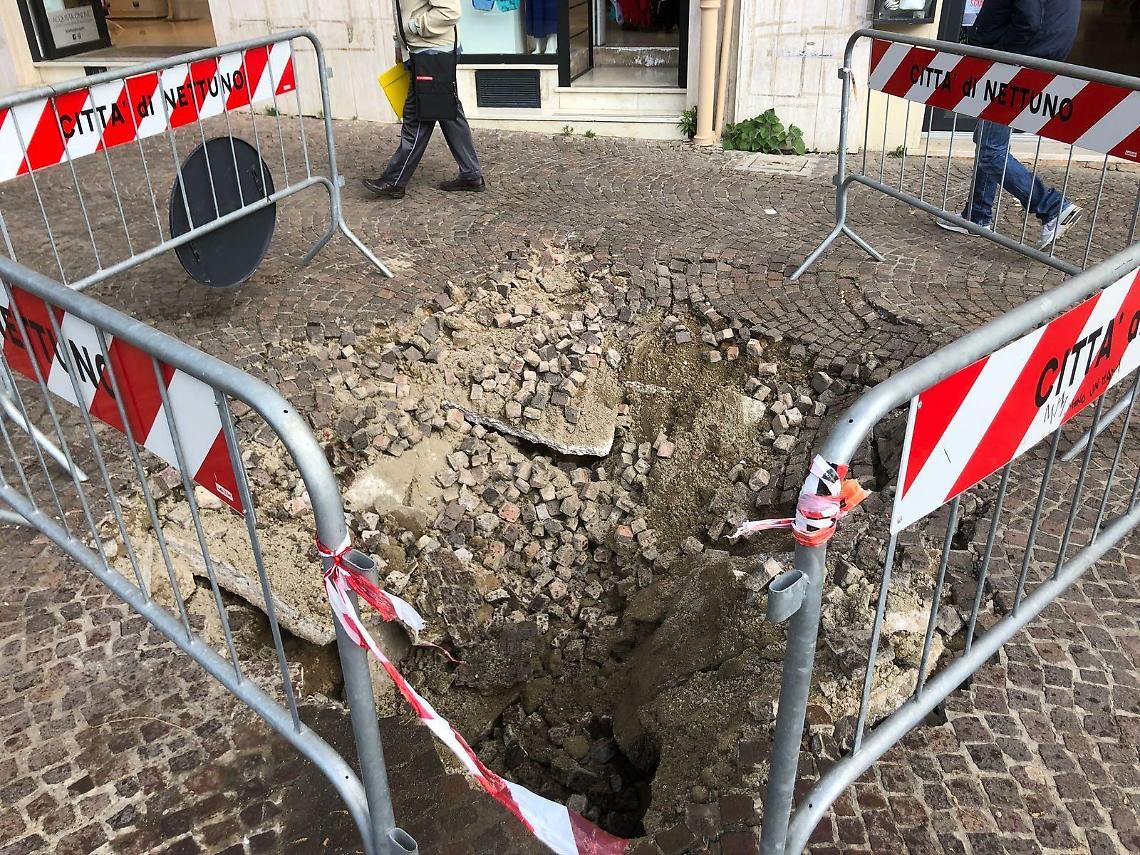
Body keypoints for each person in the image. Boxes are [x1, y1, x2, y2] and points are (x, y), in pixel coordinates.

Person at [936, 0, 1082, 250]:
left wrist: (1001, 54)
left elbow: (1028, 20)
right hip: (1033, 60)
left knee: (991, 151)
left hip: (1013, 64)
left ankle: (1052, 206)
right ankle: (977, 215)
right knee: (989, 143)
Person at [363, 0, 485, 199]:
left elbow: (450, 11)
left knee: (417, 116)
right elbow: (403, 9)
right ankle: (471, 174)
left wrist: (413, 28)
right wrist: (399, 42)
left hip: (433, 52)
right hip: (423, 50)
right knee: (449, 113)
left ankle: (395, 180)